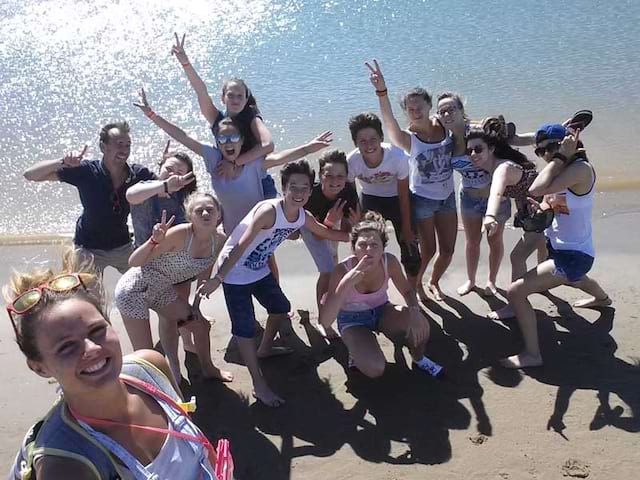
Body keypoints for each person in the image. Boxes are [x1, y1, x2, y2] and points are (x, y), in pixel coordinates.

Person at [5, 250, 219, 479]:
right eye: (66, 347)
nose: (92, 348)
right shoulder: (66, 465)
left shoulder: (150, 368)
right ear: (39, 367)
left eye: (97, 330)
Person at [197, 160, 350, 407]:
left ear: (311, 191)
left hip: (258, 269)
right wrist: (218, 278)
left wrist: (359, 235)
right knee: (244, 328)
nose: (299, 193)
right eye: (293, 187)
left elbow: (324, 232)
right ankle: (259, 384)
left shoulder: (302, 216)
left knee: (280, 308)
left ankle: (265, 349)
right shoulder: (269, 211)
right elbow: (240, 245)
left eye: (304, 188)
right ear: (283, 188)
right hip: (234, 271)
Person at [133, 89, 332, 235]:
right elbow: (182, 135)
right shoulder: (213, 158)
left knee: (268, 271)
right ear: (217, 143)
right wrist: (152, 115)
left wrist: (309, 147)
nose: (228, 143)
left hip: (259, 230)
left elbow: (283, 157)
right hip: (232, 232)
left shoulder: (253, 164)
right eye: (223, 139)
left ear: (243, 141)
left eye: (234, 138)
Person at [500, 125, 611, 368]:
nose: (546, 155)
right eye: (540, 152)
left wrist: (560, 155)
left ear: (565, 145)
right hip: (563, 248)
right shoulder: (560, 170)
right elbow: (553, 202)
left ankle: (532, 354)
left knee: (515, 292)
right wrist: (542, 210)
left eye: (550, 148)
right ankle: (602, 299)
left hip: (572, 255)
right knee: (575, 278)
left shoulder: (580, 169)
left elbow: (536, 189)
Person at [115, 193, 232, 384]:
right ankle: (153, 391)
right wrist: (153, 240)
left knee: (201, 325)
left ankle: (209, 369)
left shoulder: (219, 240)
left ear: (218, 214)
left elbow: (204, 274)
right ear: (190, 216)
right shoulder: (180, 234)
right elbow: (133, 261)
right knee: (148, 357)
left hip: (161, 290)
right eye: (198, 210)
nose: (205, 213)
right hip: (134, 290)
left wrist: (196, 306)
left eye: (210, 209)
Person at [366, 59, 456, 301]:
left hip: (448, 197)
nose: (415, 112)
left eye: (419, 107)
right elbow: (388, 122)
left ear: (429, 106)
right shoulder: (408, 139)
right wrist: (381, 91)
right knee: (429, 250)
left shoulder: (445, 126)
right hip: (423, 200)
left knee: (448, 250)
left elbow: (468, 126)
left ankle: (433, 282)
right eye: (410, 108)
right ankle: (414, 285)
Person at [319, 211, 443, 379]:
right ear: (353, 248)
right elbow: (325, 321)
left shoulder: (388, 261)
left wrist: (414, 311)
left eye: (374, 245)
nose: (368, 250)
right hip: (351, 320)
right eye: (362, 245)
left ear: (383, 248)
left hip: (382, 311)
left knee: (421, 325)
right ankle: (357, 348)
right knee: (375, 369)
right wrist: (346, 283)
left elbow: (407, 291)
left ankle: (419, 359)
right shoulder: (342, 270)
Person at [23, 121, 155, 275]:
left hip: (122, 245)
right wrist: (62, 162)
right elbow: (31, 175)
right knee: (86, 295)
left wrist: (166, 164)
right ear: (103, 147)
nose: (124, 149)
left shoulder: (137, 174)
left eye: (128, 145)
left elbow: (165, 186)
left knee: (145, 284)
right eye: (119, 144)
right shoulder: (86, 171)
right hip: (88, 247)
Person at [171, 33, 277, 199]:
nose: (235, 99)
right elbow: (201, 91)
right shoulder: (217, 119)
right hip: (230, 180)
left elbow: (268, 145)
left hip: (260, 182)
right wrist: (185, 63)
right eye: (231, 95)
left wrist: (235, 162)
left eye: (240, 96)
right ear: (223, 98)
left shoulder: (252, 118)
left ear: (246, 99)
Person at [347, 112, 420, 286]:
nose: (369, 145)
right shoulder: (352, 161)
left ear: (381, 137)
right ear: (355, 143)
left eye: (373, 139)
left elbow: (403, 194)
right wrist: (356, 221)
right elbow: (351, 195)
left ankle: (413, 290)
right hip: (370, 199)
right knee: (366, 247)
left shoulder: (398, 157)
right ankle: (372, 285)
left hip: (397, 199)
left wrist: (407, 228)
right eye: (362, 141)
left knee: (411, 250)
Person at [301, 149, 360, 323]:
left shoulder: (348, 191)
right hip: (310, 225)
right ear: (320, 175)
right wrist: (328, 223)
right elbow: (319, 236)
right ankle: (322, 319)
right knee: (327, 269)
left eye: (340, 176)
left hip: (332, 223)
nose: (335, 181)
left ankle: (336, 301)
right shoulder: (312, 197)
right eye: (329, 176)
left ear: (347, 176)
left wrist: (355, 225)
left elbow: (350, 230)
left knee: (334, 263)